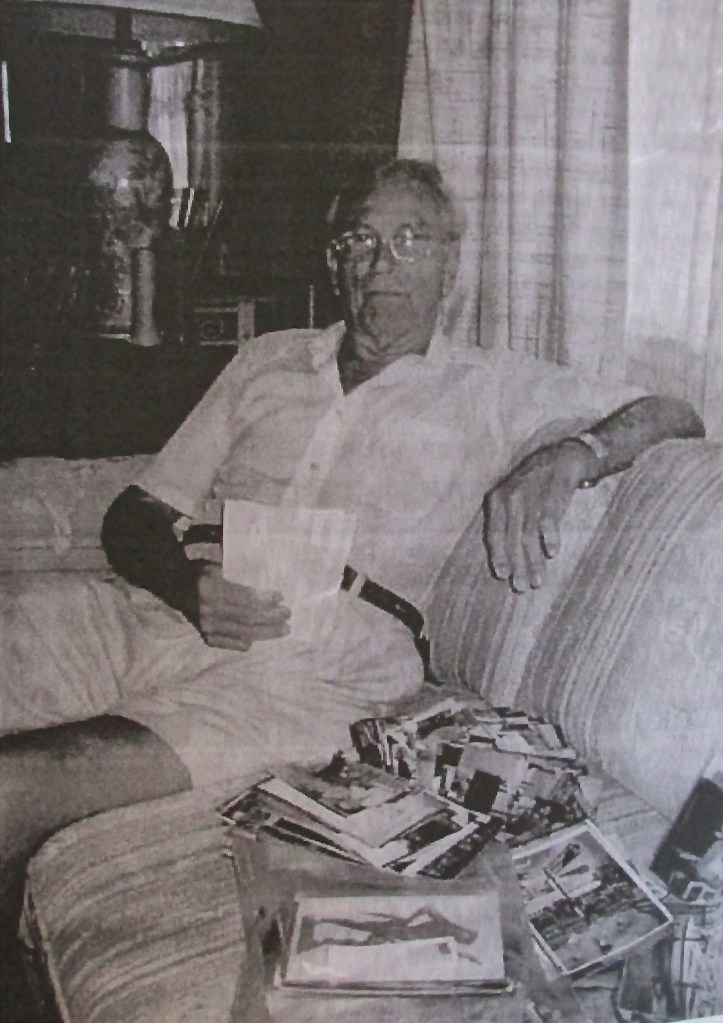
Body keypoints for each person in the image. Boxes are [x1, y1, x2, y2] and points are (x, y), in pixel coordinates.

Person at [0, 159, 704, 1009]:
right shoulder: (266, 360)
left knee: (22, 781)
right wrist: (185, 586)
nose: (380, 265)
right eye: (359, 241)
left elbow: (676, 410)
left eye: (409, 240)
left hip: (315, 669)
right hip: (157, 605)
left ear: (451, 260)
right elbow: (134, 514)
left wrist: (570, 455)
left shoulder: (491, 385)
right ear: (332, 261)